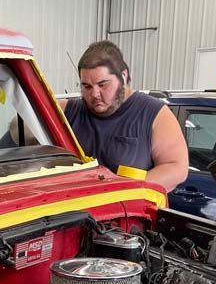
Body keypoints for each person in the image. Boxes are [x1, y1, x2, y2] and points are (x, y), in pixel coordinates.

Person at [63, 41, 188, 191]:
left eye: (103, 85)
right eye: (87, 87)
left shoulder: (154, 113)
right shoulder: (68, 111)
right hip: (73, 211)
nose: (94, 94)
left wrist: (128, 193)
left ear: (123, 76)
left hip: (128, 211)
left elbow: (176, 167)